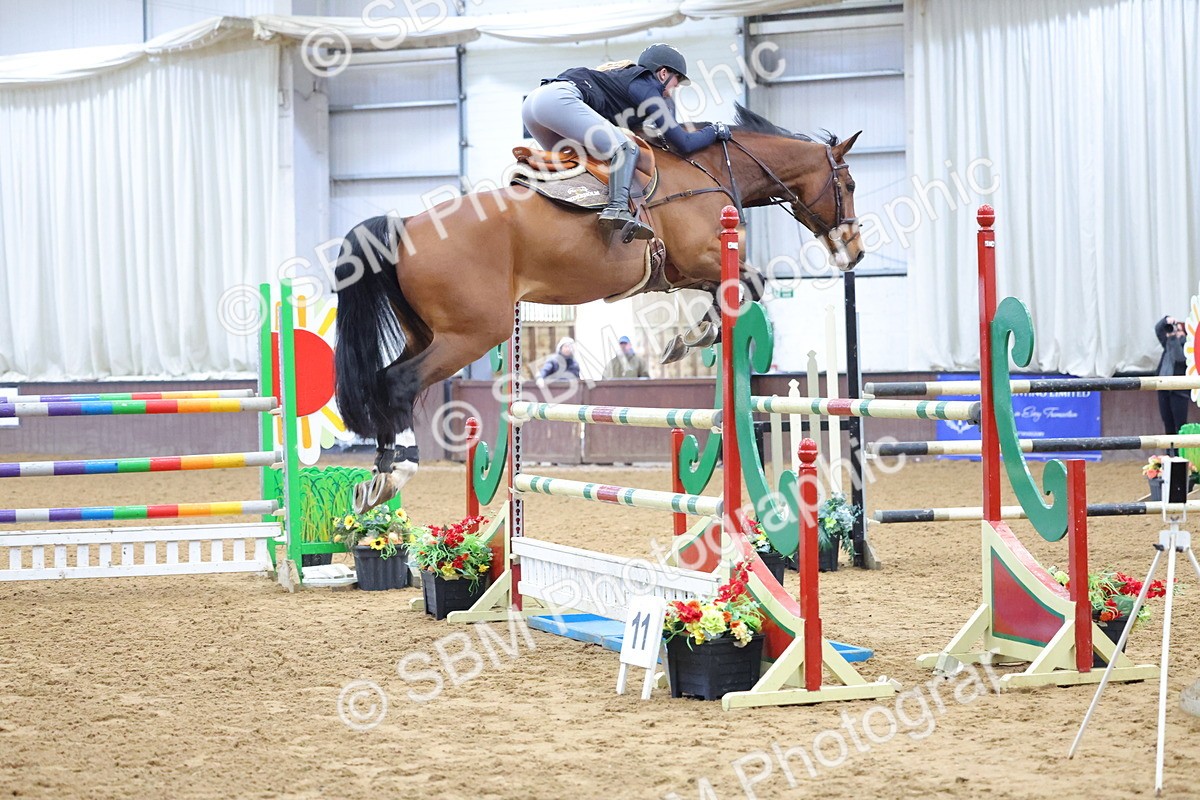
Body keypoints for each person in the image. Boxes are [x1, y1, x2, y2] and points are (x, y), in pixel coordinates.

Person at [521, 43, 733, 240]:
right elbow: (683, 142)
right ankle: (617, 208)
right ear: (663, 73)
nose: (676, 87)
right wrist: (714, 131)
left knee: (583, 163)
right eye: (677, 80)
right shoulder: (646, 85)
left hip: (534, 106)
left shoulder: (626, 85)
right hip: (558, 101)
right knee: (626, 148)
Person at [1155, 315, 1190, 453]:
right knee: (1168, 424)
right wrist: (1166, 320)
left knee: (1180, 426)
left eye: (1180, 330)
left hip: (1179, 391)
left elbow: (1179, 357)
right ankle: (1170, 455)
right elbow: (1158, 329)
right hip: (1163, 389)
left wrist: (1174, 338)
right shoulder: (1168, 343)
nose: (1176, 332)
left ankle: (1180, 455)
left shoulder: (1188, 347)